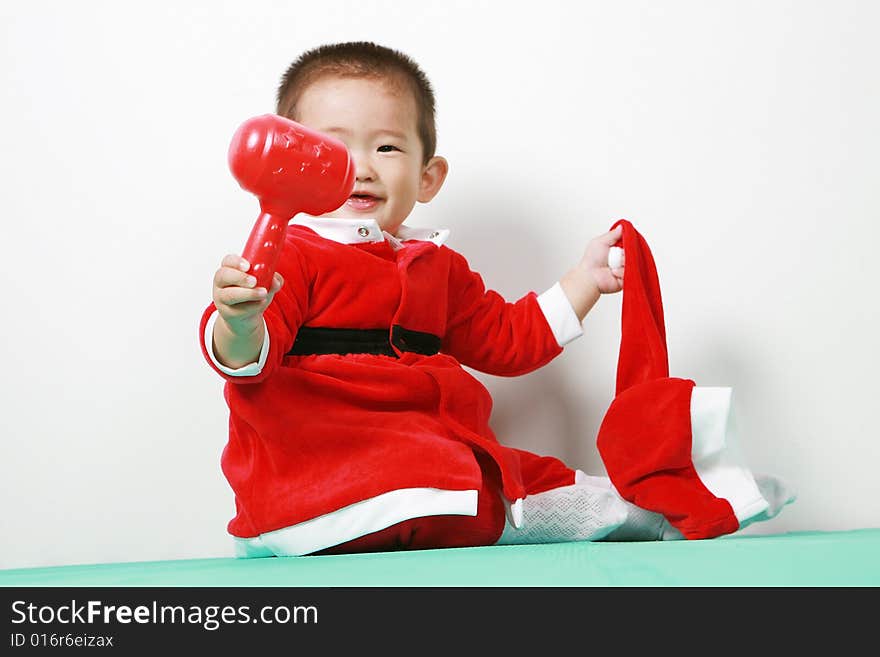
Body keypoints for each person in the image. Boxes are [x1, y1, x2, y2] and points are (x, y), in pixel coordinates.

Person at [199, 41, 787, 557]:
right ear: (295, 164)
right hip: (319, 482)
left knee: (528, 480)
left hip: (430, 474)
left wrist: (584, 281)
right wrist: (239, 320)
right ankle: (610, 511)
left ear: (428, 177)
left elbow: (508, 339)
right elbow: (244, 355)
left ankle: (663, 506)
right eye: (333, 149)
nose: (361, 169)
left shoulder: (438, 268)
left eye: (387, 148)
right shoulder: (290, 256)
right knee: (492, 491)